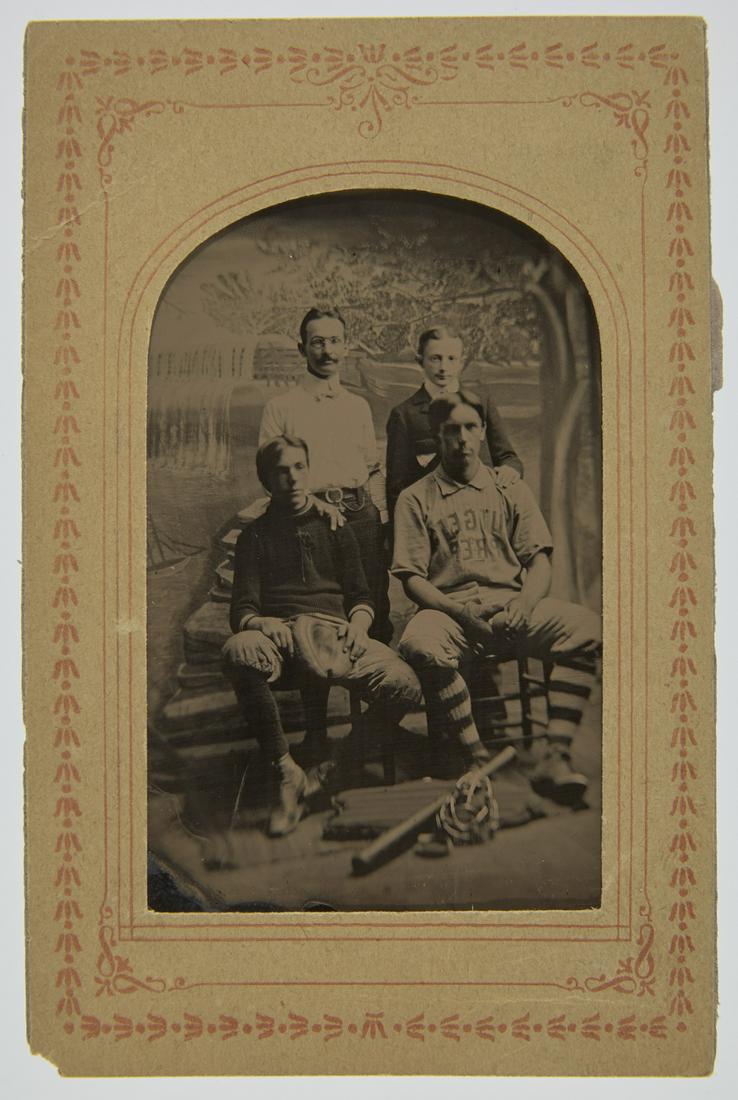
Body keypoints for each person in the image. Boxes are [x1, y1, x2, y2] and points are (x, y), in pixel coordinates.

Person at [391, 390, 601, 804]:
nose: (463, 439)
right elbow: (411, 578)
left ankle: (554, 755)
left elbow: (539, 559)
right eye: (452, 430)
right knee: (419, 644)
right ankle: (476, 757)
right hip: (450, 612)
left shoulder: (508, 487)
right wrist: (460, 613)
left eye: (471, 427)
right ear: (437, 436)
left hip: (512, 607)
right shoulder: (415, 497)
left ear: (485, 432)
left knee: (587, 628)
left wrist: (524, 603)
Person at [222, 435, 421, 837]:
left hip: (336, 635)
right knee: (238, 650)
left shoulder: (336, 525)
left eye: (299, 468)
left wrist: (359, 625)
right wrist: (261, 624)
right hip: (280, 639)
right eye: (282, 471)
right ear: (266, 480)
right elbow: (242, 609)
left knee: (407, 685)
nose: (293, 479)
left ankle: (333, 768)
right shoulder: (253, 537)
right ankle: (286, 772)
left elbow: (361, 596)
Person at [259, 307, 392, 641]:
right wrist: (311, 505)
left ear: (346, 347)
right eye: (317, 342)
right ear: (302, 348)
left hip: (361, 516)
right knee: (320, 613)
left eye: (335, 341)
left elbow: (372, 468)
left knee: (373, 611)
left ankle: (372, 688)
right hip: (308, 519)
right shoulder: (281, 406)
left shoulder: (357, 406)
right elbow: (269, 474)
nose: (328, 351)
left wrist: (381, 521)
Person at [385, 326, 523, 521]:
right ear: (420, 361)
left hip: (484, 512)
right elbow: (397, 488)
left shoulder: (481, 401)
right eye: (435, 358)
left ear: (461, 362)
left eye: (451, 359)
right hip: (435, 519)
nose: (443, 367)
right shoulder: (404, 414)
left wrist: (510, 470)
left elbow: (508, 457)